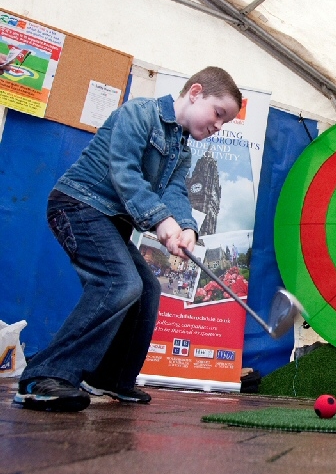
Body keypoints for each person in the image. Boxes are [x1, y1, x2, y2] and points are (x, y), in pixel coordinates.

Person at [14, 67, 242, 412]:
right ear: (195, 93)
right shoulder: (138, 113)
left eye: (225, 122)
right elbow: (124, 171)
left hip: (109, 220)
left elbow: (178, 191)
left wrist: (187, 227)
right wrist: (159, 220)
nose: (218, 126)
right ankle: (43, 376)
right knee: (119, 283)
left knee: (146, 289)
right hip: (77, 205)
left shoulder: (181, 151)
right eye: (218, 114)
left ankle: (109, 377)